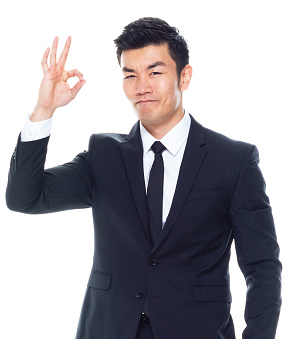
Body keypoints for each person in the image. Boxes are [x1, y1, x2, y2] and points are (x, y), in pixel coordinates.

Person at [6, 17, 282, 339]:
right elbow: (24, 197)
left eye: (155, 72)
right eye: (130, 75)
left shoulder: (234, 161)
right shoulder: (103, 155)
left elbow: (263, 269)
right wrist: (44, 109)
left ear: (184, 76)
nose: (142, 87)